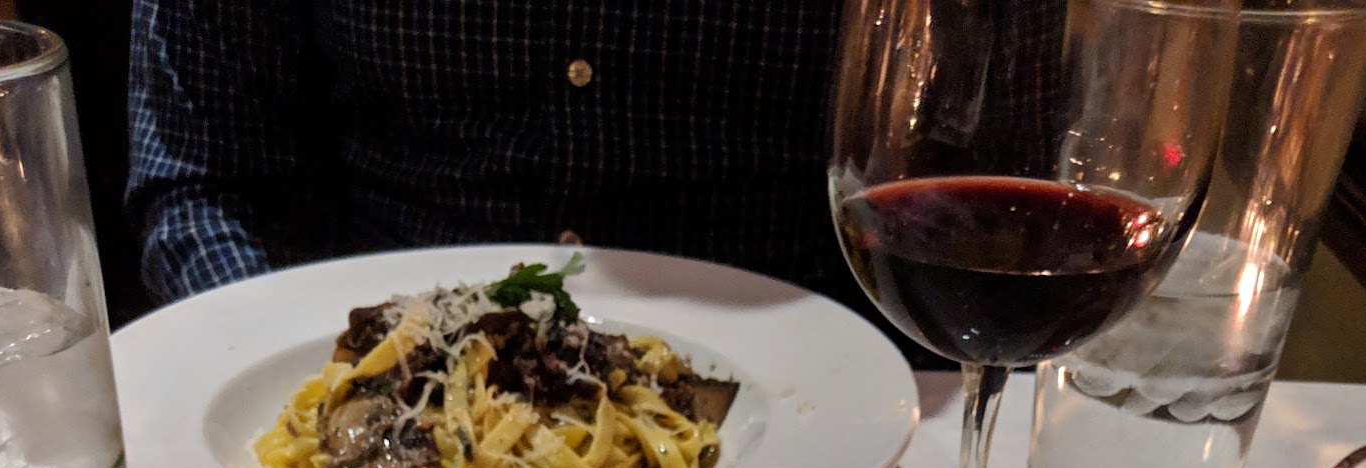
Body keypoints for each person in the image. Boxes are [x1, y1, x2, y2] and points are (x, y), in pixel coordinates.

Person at [126, 1, 848, 308]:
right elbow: (203, 182)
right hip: (381, 427)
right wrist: (293, 380)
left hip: (810, 420)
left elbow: (907, 181)